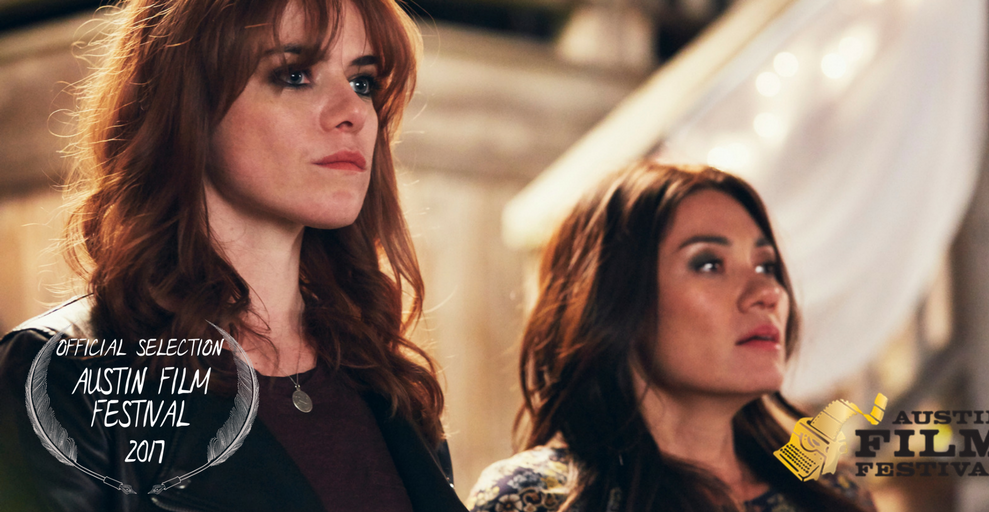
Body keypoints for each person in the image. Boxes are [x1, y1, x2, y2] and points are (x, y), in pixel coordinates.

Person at [0, 0, 467, 511]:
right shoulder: (63, 377)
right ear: (187, 102)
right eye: (295, 75)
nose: (353, 112)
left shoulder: (386, 380)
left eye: (363, 82)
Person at [467, 162, 876, 512]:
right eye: (710, 264)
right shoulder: (537, 499)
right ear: (615, 296)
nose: (767, 292)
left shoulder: (835, 495)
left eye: (766, 266)